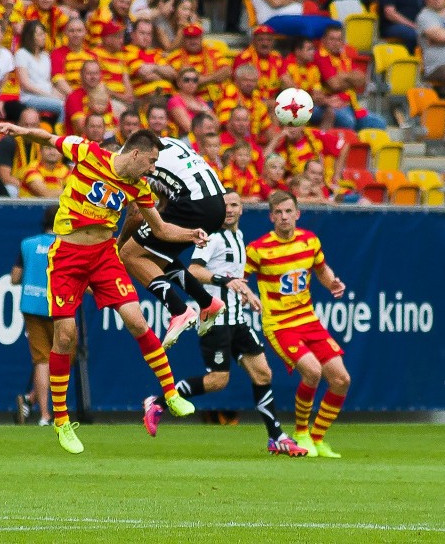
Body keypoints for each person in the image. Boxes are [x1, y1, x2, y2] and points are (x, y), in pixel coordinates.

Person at [0, 123, 206, 454]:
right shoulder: (88, 153)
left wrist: (190, 234)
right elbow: (48, 138)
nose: (152, 170)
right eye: (151, 162)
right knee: (66, 337)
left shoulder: (137, 186)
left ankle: (171, 393)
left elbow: (161, 228)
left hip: (104, 255)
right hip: (66, 256)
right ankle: (62, 422)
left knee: (136, 320)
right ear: (134, 153)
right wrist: (16, 129)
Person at [142, 190, 309, 457]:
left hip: (237, 319)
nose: (229, 209)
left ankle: (276, 436)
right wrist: (224, 281)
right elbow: (194, 270)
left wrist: (246, 292)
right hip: (216, 319)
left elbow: (233, 277)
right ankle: (158, 402)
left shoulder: (238, 237)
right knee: (218, 380)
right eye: (225, 205)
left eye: (234, 205)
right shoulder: (213, 237)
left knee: (263, 373)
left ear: (243, 209)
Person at [245, 190, 350, 458]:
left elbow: (321, 269)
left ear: (297, 214)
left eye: (288, 211)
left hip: (309, 320)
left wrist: (332, 283)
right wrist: (245, 294)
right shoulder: (258, 249)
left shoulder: (309, 241)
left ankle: (317, 438)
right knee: (312, 372)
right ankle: (302, 432)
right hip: (280, 325)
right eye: (278, 213)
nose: (284, 217)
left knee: (340, 379)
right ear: (271, 217)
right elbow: (239, 278)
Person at [119, 137, 227, 350]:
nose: (149, 169)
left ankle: (179, 310)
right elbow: (166, 195)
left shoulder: (129, 161)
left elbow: (136, 215)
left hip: (193, 203)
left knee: (129, 254)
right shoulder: (167, 142)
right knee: (154, 253)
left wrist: (119, 243)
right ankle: (208, 302)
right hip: (216, 203)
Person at [11, 206, 61, 427]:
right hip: (59, 307)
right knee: (58, 359)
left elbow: (14, 278)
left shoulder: (28, 244)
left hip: (32, 306)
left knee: (43, 360)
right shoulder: (66, 246)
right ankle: (45, 414)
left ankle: (33, 402)